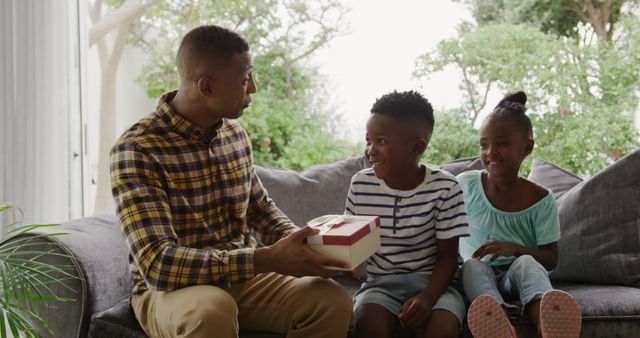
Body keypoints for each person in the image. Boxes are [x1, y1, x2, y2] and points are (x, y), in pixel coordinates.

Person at [110, 25, 352, 338]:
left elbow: (260, 210)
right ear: (206, 87)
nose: (253, 88)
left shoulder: (234, 136)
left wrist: (309, 246)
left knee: (331, 300)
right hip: (168, 291)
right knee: (211, 310)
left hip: (240, 278)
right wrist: (266, 258)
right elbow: (158, 264)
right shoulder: (138, 148)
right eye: (244, 79)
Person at [345, 90, 470, 338]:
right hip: (380, 286)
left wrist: (427, 298)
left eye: (381, 141)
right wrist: (349, 262)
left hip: (435, 286)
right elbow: (354, 244)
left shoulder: (445, 187)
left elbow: (448, 256)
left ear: (416, 147)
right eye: (368, 140)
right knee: (367, 326)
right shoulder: (361, 184)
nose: (370, 151)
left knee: (443, 330)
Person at [458, 91, 582, 338]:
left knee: (526, 263)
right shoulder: (465, 185)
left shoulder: (542, 199)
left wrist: (514, 249)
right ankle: (497, 323)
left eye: (501, 142)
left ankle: (547, 325)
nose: (490, 152)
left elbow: (550, 259)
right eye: (484, 144)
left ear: (527, 147)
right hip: (480, 277)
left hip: (519, 277)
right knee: (472, 265)